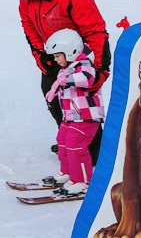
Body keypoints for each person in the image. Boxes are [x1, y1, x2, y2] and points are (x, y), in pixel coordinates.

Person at [17, 0, 110, 163]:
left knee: (81, 104)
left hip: (77, 58)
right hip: (54, 55)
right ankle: (71, 140)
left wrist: (101, 68)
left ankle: (95, 152)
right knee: (54, 98)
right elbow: (28, 26)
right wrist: (40, 55)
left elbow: (95, 30)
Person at [44, 29, 104, 195]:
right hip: (70, 117)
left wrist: (64, 80)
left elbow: (87, 79)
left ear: (71, 51)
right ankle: (68, 172)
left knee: (75, 146)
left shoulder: (84, 65)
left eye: (57, 56)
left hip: (85, 117)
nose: (55, 60)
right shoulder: (67, 69)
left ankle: (83, 181)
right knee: (62, 141)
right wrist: (55, 89)